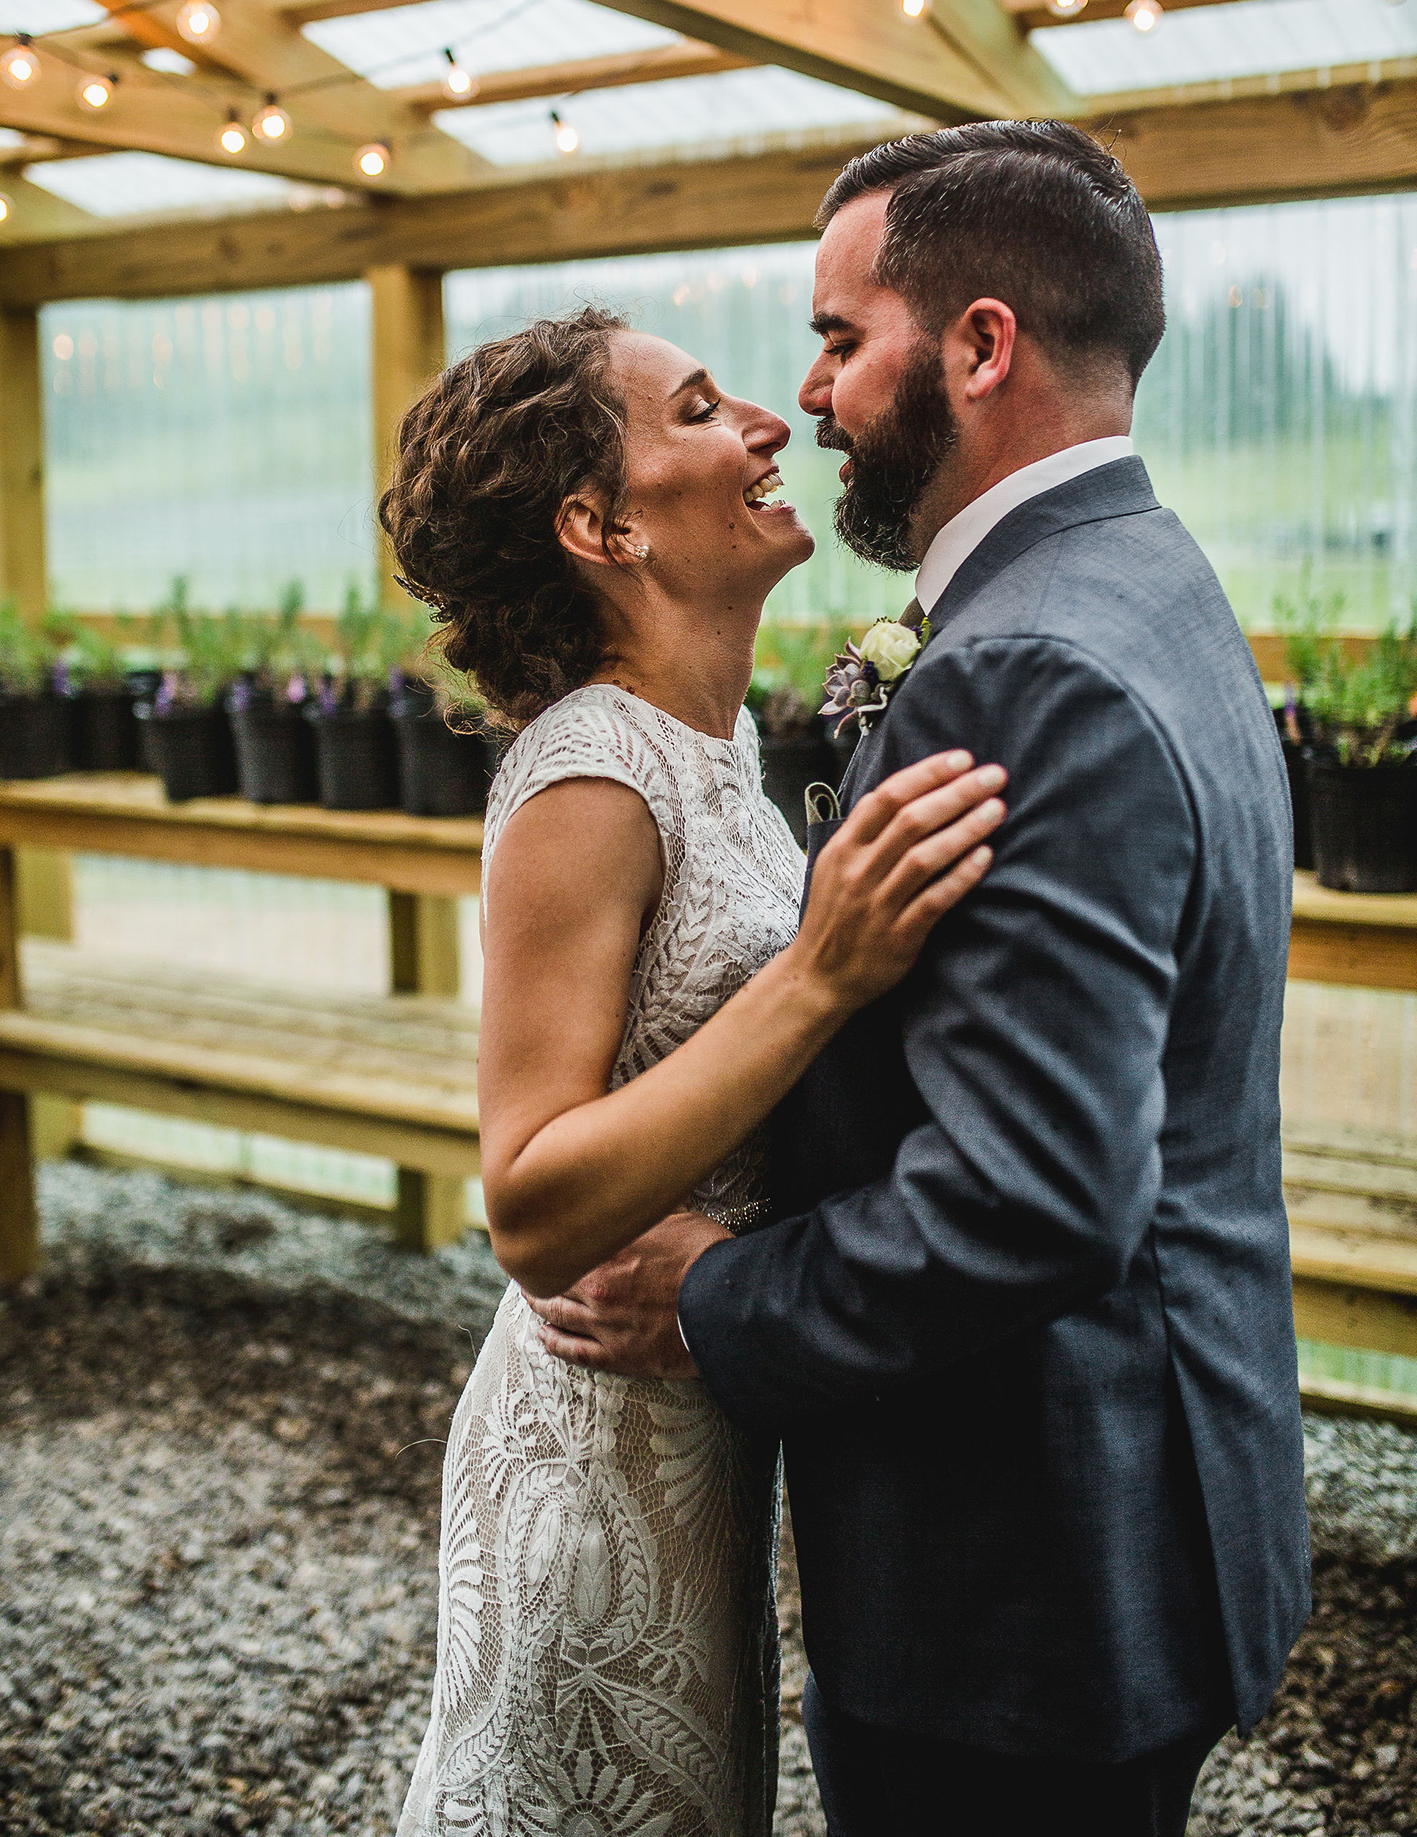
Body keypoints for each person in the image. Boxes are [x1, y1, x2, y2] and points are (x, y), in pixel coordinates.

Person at [531, 122, 1312, 1837]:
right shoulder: (1157, 585)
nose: (805, 399)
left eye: (837, 336)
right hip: (1130, 1510)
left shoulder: (1022, 662)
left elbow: (1036, 1194)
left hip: (1021, 1576)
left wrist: (716, 1300)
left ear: (979, 344)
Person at [379, 305, 1005, 1837]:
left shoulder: (706, 746)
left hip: (702, 1428)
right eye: (704, 410)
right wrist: (818, 974)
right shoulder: (591, 772)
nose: (768, 428)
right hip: (593, 1456)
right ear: (599, 524)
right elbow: (528, 1206)